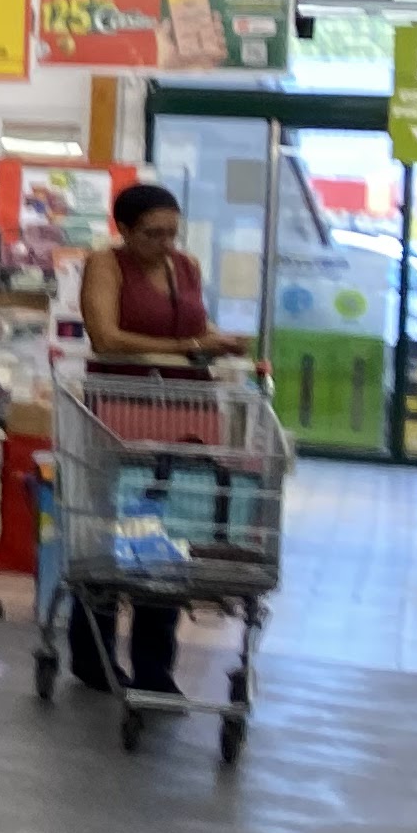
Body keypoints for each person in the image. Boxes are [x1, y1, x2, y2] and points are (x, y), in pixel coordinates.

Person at [72, 179, 241, 694]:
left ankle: (155, 665)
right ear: (124, 230)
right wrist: (188, 346)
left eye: (172, 232)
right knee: (113, 532)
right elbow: (106, 337)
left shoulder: (185, 266)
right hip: (120, 411)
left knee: (170, 534)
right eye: (152, 234)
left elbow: (198, 330)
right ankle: (93, 654)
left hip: (185, 412)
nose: (165, 243)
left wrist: (217, 343)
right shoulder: (106, 265)